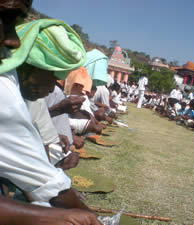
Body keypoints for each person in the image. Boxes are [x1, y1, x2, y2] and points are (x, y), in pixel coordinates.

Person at [0, 1, 101, 224]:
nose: (13, 42)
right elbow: (42, 179)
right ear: (31, 67)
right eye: (54, 77)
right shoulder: (6, 90)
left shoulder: (19, 90)